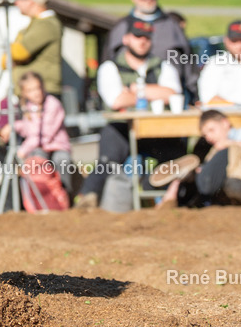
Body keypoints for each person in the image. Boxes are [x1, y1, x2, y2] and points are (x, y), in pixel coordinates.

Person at [76, 20, 182, 209]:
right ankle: (88, 198)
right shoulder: (110, 67)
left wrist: (135, 90)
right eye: (137, 36)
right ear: (126, 39)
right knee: (108, 159)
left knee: (177, 156)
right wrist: (153, 92)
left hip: (156, 130)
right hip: (122, 128)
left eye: (146, 37)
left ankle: (165, 198)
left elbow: (172, 94)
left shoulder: (162, 66)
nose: (142, 41)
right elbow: (116, 101)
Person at [103, 0, 197, 102]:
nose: (148, 0)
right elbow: (108, 59)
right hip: (129, 98)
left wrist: (194, 94)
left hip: (171, 96)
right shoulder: (122, 26)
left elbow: (188, 60)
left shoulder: (171, 25)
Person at [0, 71, 72, 210]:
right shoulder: (28, 107)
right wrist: (12, 126)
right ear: (24, 93)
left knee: (62, 160)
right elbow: (30, 129)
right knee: (35, 160)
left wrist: (21, 152)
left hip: (56, 146)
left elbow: (42, 135)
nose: (36, 93)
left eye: (38, 88)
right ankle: (38, 201)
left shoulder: (53, 104)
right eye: (30, 90)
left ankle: (63, 198)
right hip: (38, 148)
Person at [190, 110, 241, 205]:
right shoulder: (215, 151)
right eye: (205, 135)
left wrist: (231, 143)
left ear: (225, 123)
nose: (209, 137)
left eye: (211, 130)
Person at [10, 0, 63, 97]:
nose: (16, 3)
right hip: (30, 93)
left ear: (30, 1)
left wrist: (8, 56)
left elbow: (18, 52)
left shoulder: (46, 24)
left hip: (42, 94)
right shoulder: (35, 24)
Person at [197, 20, 241, 106]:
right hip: (223, 116)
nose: (240, 46)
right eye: (235, 41)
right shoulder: (214, 63)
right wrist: (237, 108)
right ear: (226, 41)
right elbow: (208, 97)